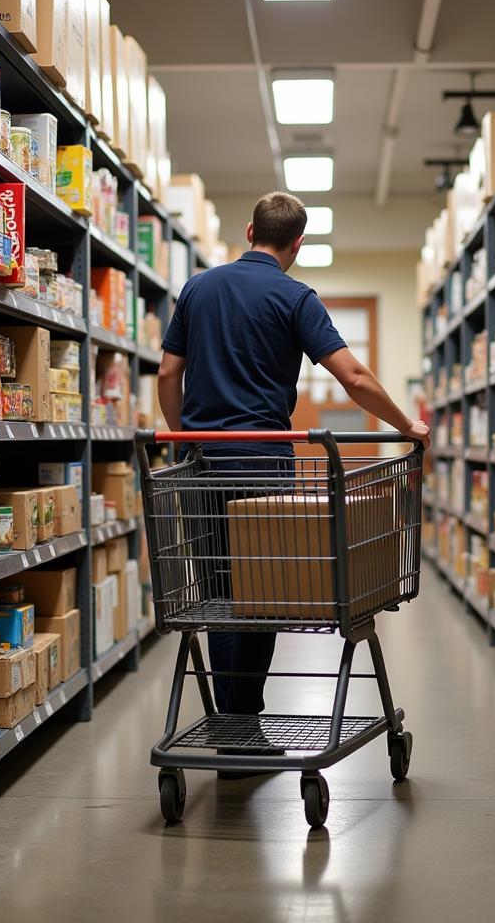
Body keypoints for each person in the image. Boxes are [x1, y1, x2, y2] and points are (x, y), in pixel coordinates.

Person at [157, 191, 430, 733]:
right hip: (263, 465)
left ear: (248, 230)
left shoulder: (197, 289)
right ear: (298, 244)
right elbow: (352, 377)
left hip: (203, 465)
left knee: (216, 595)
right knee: (263, 593)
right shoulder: (296, 297)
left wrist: (182, 436)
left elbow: (168, 376)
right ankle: (243, 716)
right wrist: (408, 426)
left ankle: (230, 720)